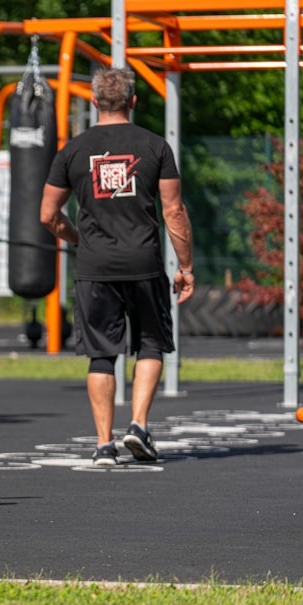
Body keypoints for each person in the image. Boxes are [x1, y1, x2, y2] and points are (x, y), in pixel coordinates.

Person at [38, 66, 194, 466]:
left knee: (100, 355)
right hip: (144, 263)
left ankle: (104, 444)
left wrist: (79, 239)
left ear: (93, 102)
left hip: (95, 267)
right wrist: (186, 266)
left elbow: (48, 215)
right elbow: (174, 210)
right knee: (151, 344)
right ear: (133, 101)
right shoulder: (156, 145)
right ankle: (138, 425)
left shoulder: (71, 150)